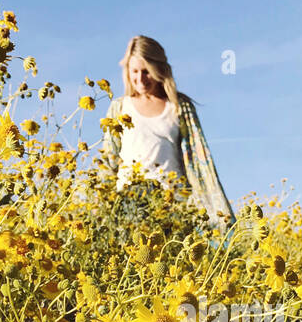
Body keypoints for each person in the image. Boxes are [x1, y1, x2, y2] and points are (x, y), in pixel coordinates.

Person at [100, 36, 236, 235]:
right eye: (135, 71)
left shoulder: (180, 107)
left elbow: (199, 161)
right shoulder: (120, 108)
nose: (140, 79)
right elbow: (108, 160)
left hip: (171, 202)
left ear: (159, 69)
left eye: (146, 71)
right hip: (128, 201)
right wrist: (101, 208)